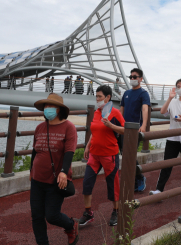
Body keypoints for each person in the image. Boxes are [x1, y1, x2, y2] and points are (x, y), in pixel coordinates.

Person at [29, 93, 78, 245]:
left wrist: (64, 172)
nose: (47, 109)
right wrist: (31, 171)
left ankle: (71, 226)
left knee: (52, 216)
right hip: (37, 180)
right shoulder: (40, 127)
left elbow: (69, 152)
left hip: (56, 180)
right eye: (46, 106)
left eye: (51, 106)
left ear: (59, 110)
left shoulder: (69, 127)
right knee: (37, 216)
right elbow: (34, 151)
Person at [80, 85, 124, 228]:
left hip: (109, 155)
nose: (97, 99)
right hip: (94, 154)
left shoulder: (115, 113)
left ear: (108, 97)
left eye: (99, 96)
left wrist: (111, 126)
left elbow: (126, 130)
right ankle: (88, 213)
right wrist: (88, 145)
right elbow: (95, 131)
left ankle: (116, 211)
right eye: (96, 96)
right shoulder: (97, 112)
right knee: (86, 183)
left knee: (113, 185)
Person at [150, 78, 181, 195]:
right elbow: (162, 112)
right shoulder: (173, 102)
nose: (180, 89)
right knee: (166, 164)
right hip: (172, 138)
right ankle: (159, 190)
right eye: (178, 86)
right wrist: (170, 98)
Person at [120, 68, 151, 192]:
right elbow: (121, 109)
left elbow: (145, 109)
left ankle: (140, 177)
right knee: (124, 154)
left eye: (135, 77)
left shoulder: (143, 94)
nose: (132, 79)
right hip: (123, 129)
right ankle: (133, 180)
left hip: (135, 130)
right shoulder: (126, 93)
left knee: (131, 155)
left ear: (140, 79)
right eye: (131, 77)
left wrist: (143, 125)